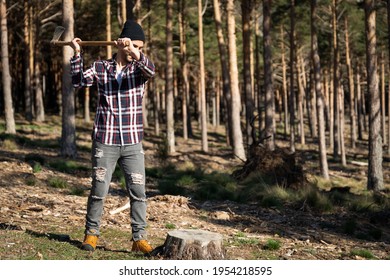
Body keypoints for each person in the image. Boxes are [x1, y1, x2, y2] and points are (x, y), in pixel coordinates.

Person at [70, 20, 155, 254]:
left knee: (138, 192)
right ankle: (91, 235)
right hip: (104, 141)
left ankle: (139, 238)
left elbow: (151, 69)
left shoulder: (139, 69)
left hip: (132, 142)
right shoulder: (101, 67)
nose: (137, 50)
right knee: (99, 190)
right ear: (118, 43)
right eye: (133, 44)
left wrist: (133, 50)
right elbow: (78, 81)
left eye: (140, 47)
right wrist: (77, 54)